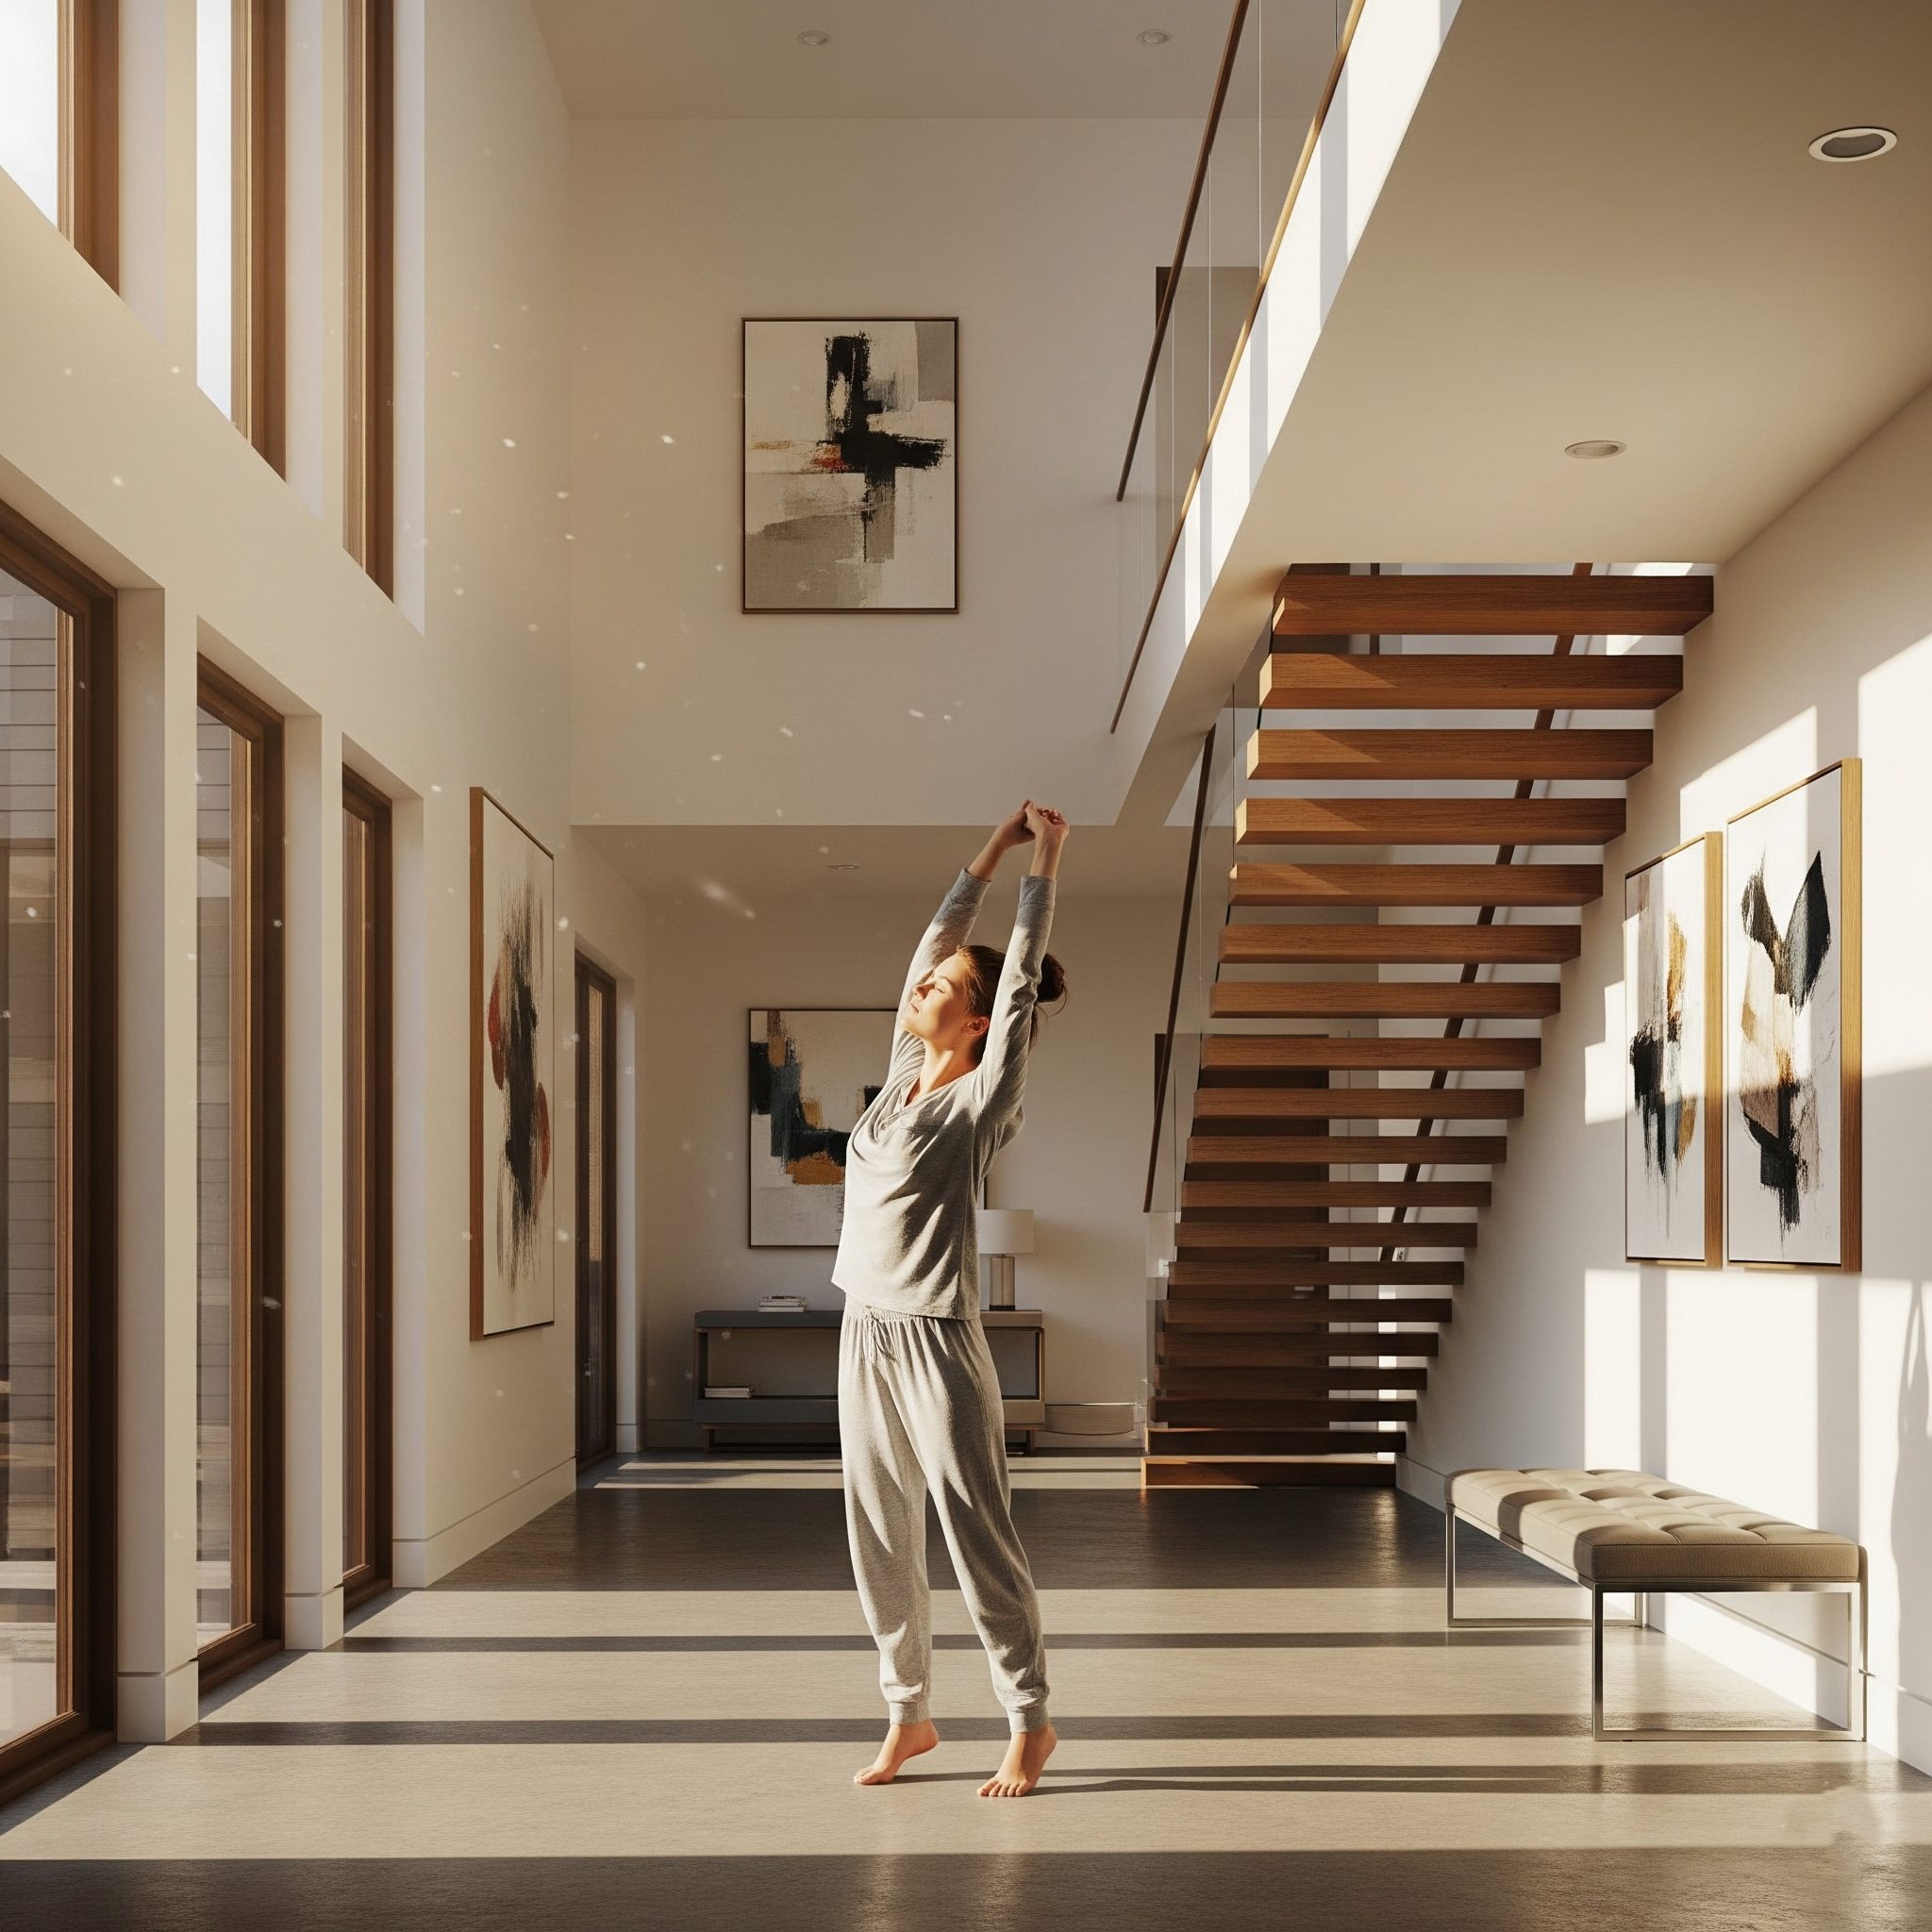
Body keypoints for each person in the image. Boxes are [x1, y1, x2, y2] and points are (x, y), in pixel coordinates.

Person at [833, 800, 1070, 1799]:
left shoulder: (979, 1102)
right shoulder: (894, 1088)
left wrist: (1044, 859)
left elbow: (1015, 984)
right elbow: (935, 940)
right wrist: (988, 850)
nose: (923, 983)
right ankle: (909, 1712)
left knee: (977, 1537)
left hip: (936, 1341)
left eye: (944, 987)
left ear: (976, 1022)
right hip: (862, 1330)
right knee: (878, 1531)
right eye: (925, 980)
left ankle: (1029, 1719)